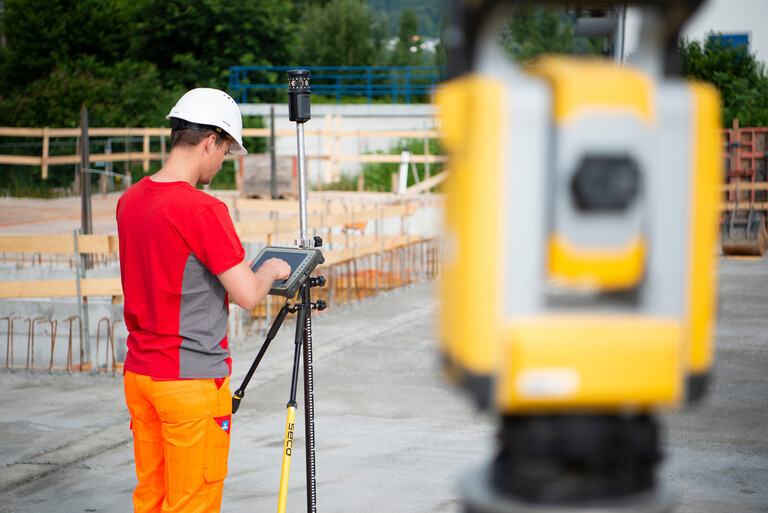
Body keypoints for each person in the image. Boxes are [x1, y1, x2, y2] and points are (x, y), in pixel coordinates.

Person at [116, 88, 291, 513]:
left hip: (141, 376)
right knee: (192, 503)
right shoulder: (202, 210)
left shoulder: (129, 201)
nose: (222, 163)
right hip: (190, 382)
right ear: (211, 140)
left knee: (152, 498)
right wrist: (273, 269)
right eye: (226, 152)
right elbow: (248, 294)